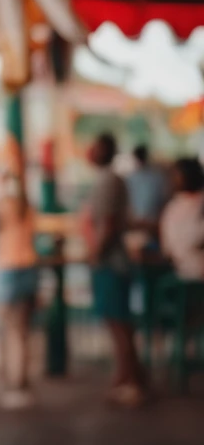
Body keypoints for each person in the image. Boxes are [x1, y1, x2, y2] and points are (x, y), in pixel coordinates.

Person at [84, 133, 144, 407]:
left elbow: (107, 223)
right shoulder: (112, 179)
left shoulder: (108, 180)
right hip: (115, 262)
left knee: (118, 324)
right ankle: (128, 378)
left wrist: (95, 254)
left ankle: (130, 383)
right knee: (121, 323)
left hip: (111, 263)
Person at [0, 169, 38, 408]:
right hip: (28, 268)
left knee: (9, 329)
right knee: (21, 330)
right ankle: (20, 379)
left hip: (5, 269)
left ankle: (14, 383)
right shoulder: (28, 205)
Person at [160, 157, 204, 280]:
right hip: (182, 274)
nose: (174, 179)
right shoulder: (174, 206)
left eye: (177, 174)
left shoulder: (201, 202)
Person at [126, 143, 169, 252]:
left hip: (152, 224)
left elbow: (162, 201)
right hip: (138, 224)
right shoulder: (131, 178)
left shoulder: (156, 177)